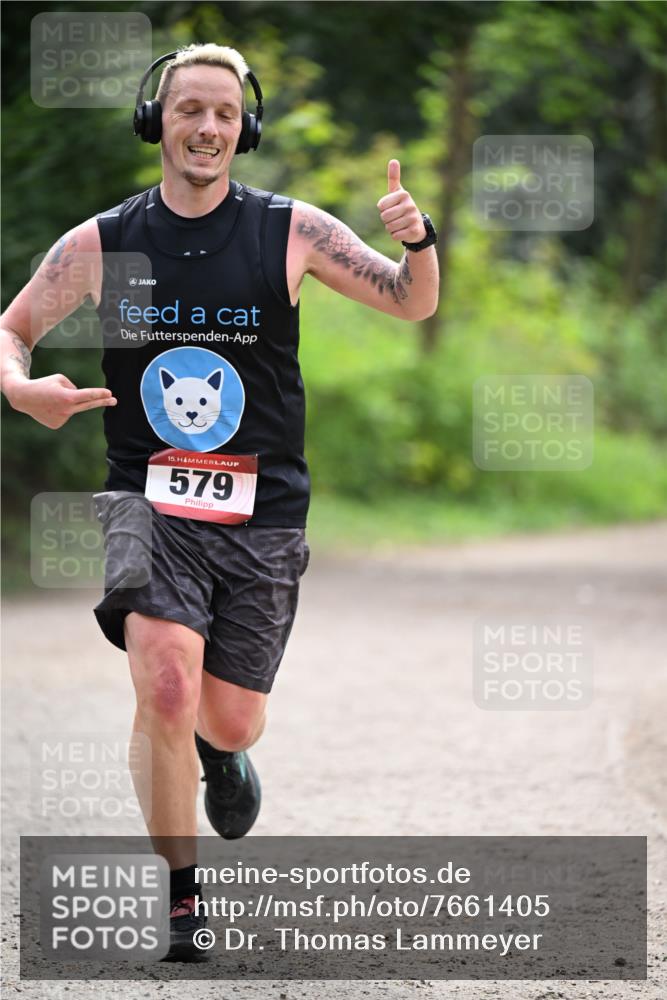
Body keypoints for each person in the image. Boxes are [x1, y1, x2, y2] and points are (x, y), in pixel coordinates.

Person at [0, 43, 439, 961]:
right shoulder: (106, 242)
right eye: (189, 109)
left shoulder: (287, 231)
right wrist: (20, 386)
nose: (205, 128)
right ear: (154, 119)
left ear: (245, 129)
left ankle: (221, 751)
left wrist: (417, 239)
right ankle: (181, 903)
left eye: (224, 114)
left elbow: (409, 303)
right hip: (146, 498)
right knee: (163, 682)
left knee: (227, 714)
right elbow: (11, 332)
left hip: (262, 509)